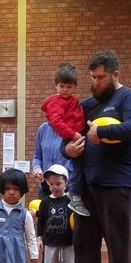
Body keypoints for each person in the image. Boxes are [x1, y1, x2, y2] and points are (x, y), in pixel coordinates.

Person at [62, 49, 131, 263]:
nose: (96, 82)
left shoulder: (129, 98)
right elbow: (70, 136)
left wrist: (103, 131)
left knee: (118, 245)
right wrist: (69, 151)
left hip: (119, 185)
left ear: (115, 75)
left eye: (101, 77)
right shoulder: (87, 104)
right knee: (84, 246)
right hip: (86, 187)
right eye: (93, 77)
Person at [41, 62, 89, 216]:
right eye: (61, 86)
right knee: (78, 166)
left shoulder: (73, 100)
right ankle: (75, 196)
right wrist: (73, 135)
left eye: (68, 86)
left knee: (82, 165)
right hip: (71, 136)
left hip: (78, 133)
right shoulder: (55, 102)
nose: (65, 90)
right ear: (56, 85)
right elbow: (58, 123)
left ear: (75, 86)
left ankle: (77, 194)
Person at [32, 121, 73, 263]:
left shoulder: (72, 128)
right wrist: (37, 168)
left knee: (69, 237)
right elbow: (37, 156)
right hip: (47, 187)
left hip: (68, 187)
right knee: (49, 236)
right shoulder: (43, 129)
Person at [37, 164, 75, 263]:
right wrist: (39, 237)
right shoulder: (45, 202)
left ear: (66, 182)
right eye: (51, 184)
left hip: (68, 242)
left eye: (58, 183)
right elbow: (41, 221)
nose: (55, 187)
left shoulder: (70, 200)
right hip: (50, 242)